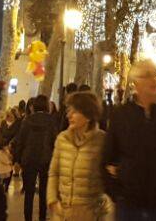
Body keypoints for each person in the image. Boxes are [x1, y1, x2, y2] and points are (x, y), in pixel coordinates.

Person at [101, 59, 156, 221]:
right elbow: (106, 159)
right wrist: (116, 194)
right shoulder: (121, 115)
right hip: (129, 206)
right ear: (136, 83)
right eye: (148, 75)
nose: (154, 80)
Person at [48, 89, 109, 221]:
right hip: (62, 212)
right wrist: (53, 201)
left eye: (74, 112)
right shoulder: (62, 139)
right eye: (68, 111)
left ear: (88, 116)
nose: (69, 115)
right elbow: (53, 173)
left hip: (90, 214)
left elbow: (107, 178)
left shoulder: (102, 140)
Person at [17, 94, 64, 221]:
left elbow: (21, 140)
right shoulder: (51, 120)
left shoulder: (27, 120)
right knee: (44, 193)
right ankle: (42, 218)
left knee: (29, 193)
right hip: (46, 160)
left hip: (29, 159)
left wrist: (17, 159)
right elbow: (55, 141)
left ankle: (28, 218)